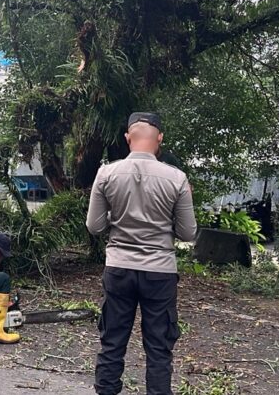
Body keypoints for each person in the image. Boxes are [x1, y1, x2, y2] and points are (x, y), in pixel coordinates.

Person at [86, 112, 197, 395]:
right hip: (160, 272)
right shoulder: (177, 178)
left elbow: (94, 226)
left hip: (119, 268)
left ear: (127, 138)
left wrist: (117, 218)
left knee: (112, 343)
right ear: (160, 138)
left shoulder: (106, 174)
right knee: (159, 348)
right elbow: (187, 233)